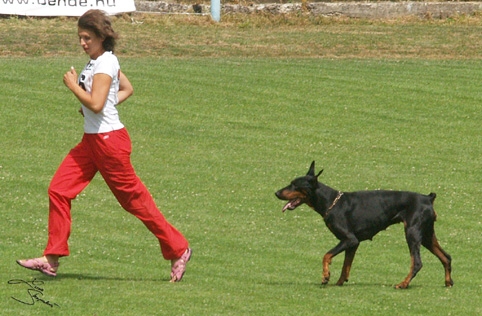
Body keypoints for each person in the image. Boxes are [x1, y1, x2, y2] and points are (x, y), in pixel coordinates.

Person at [16, 9, 191, 282]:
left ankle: (179, 249)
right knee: (59, 189)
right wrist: (91, 106)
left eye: (87, 37)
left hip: (109, 144)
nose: (83, 43)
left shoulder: (106, 63)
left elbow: (97, 103)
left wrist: (74, 87)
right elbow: (124, 90)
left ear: (101, 36)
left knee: (135, 203)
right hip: (91, 142)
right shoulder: (96, 61)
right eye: (80, 38)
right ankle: (51, 259)